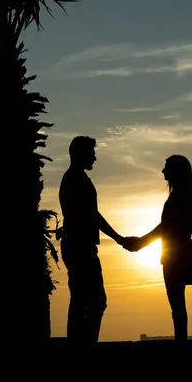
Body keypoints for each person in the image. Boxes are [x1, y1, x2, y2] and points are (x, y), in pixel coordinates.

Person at [126, 155, 192, 342]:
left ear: (175, 171)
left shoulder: (178, 196)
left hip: (175, 256)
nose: (163, 171)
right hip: (177, 253)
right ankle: (181, 341)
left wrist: (141, 242)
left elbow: (165, 227)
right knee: (178, 305)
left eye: (166, 167)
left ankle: (180, 343)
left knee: (177, 305)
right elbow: (166, 226)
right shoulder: (183, 195)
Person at [58, 135, 129, 344]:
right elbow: (91, 215)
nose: (95, 158)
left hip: (78, 245)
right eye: (92, 153)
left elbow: (79, 215)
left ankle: (81, 343)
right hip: (80, 247)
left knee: (84, 300)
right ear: (81, 154)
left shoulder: (74, 178)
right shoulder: (76, 179)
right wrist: (118, 238)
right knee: (94, 301)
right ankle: (84, 344)